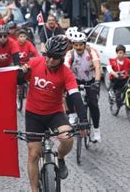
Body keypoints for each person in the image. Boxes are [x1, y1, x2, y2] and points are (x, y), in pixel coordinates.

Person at [20, 35, 88, 192]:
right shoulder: (35, 62)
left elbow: (75, 96)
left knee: (68, 138)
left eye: (54, 57)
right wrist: (20, 75)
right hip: (33, 114)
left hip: (54, 113)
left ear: (62, 57)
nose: (49, 60)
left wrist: (83, 119)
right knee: (33, 154)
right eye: (47, 55)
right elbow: (18, 81)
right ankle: (34, 189)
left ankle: (61, 158)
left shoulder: (66, 73)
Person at [64, 31, 102, 142]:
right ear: (73, 45)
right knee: (69, 92)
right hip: (75, 79)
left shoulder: (91, 52)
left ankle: (96, 130)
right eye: (76, 45)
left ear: (85, 44)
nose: (79, 47)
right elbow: (65, 69)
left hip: (90, 80)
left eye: (81, 44)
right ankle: (72, 114)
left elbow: (97, 67)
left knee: (93, 104)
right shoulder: (70, 54)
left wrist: (97, 82)